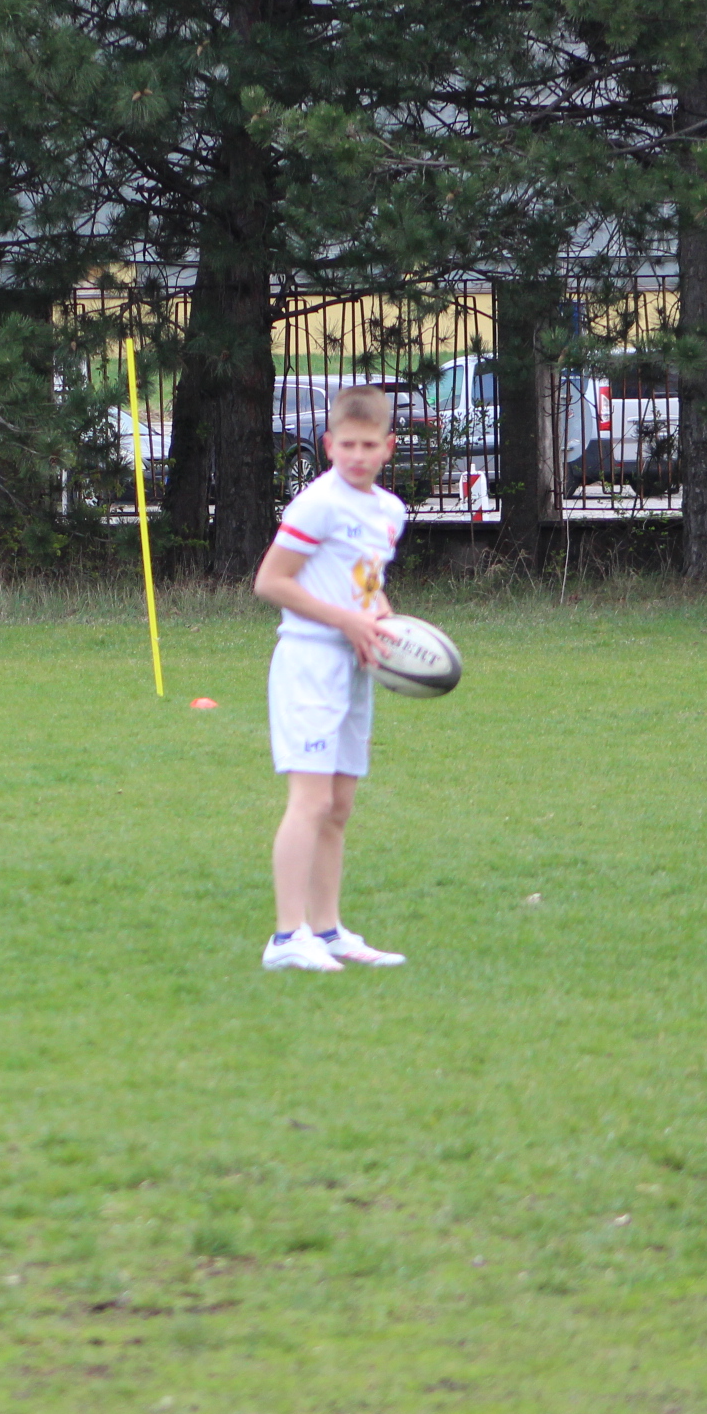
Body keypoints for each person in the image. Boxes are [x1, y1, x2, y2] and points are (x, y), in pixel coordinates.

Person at [251, 386, 412, 974]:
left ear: (388, 447)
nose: (358, 456)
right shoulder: (316, 504)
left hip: (353, 664)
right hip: (309, 662)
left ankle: (328, 930)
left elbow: (364, 584)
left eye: (369, 446)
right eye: (348, 445)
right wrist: (346, 621)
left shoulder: (389, 511)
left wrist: (382, 623)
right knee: (311, 800)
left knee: (339, 806)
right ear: (328, 445)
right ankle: (286, 937)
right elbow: (271, 582)